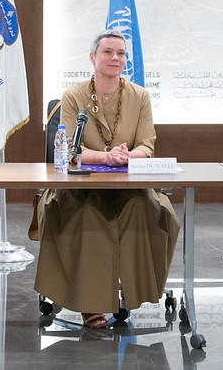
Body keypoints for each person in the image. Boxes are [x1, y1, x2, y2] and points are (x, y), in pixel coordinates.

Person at [34, 29, 180, 329]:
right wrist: (105, 157)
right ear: (92, 57)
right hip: (80, 186)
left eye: (121, 53)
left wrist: (128, 157)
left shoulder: (140, 95)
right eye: (108, 52)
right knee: (90, 215)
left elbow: (146, 146)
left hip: (128, 184)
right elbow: (70, 151)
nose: (115, 58)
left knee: (144, 209)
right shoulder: (73, 96)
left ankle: (135, 290)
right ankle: (91, 303)